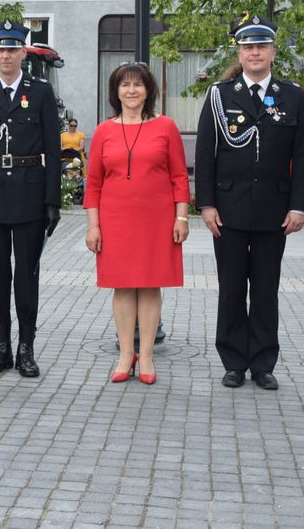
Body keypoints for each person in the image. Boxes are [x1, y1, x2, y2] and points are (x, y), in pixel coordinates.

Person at [195, 15, 304, 391]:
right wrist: (207, 204)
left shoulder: (291, 95)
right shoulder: (219, 95)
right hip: (227, 209)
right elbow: (206, 154)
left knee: (265, 289)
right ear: (239, 52)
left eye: (262, 46)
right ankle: (232, 360)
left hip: (273, 211)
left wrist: (299, 205)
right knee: (230, 288)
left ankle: (262, 362)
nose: (255, 52)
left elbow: (302, 155)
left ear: (273, 52)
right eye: (248, 47)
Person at [0, 20, 62, 377]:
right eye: (1, 49)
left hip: (29, 194)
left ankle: (26, 347)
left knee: (26, 277)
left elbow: (53, 148)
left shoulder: (40, 92)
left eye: (13, 48)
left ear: (23, 52)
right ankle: (1, 345)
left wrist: (53, 202)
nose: (6, 55)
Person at [84, 63, 190, 385]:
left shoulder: (166, 127)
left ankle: (145, 356)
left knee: (149, 284)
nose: (132, 91)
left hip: (156, 219)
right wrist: (94, 226)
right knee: (122, 285)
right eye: (125, 85)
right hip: (115, 220)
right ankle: (124, 354)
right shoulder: (104, 131)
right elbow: (93, 184)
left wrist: (181, 217)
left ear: (149, 91)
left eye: (138, 85)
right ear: (115, 92)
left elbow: (179, 176)